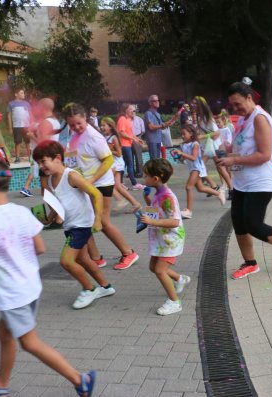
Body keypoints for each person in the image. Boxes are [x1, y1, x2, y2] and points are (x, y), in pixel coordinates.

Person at [0, 156, 97, 397]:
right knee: (5, 332)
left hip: (12, 295)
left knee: (29, 342)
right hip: (29, 287)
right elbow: (40, 247)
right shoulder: (21, 211)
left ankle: (79, 379)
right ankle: (0, 384)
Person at [217, 82, 272, 279]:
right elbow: (240, 146)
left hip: (260, 182)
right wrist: (226, 149)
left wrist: (234, 159)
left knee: (253, 224)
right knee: (238, 223)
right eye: (232, 105)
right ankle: (250, 263)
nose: (235, 108)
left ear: (249, 98)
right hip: (242, 182)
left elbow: (264, 155)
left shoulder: (260, 118)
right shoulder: (243, 120)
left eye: (238, 103)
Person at [33, 140, 116, 309]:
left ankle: (89, 289)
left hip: (81, 226)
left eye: (43, 161)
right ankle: (106, 287)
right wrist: (49, 218)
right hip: (71, 225)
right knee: (83, 259)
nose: (41, 166)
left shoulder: (71, 176)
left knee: (66, 261)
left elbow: (96, 195)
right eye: (38, 163)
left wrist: (98, 220)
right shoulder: (50, 181)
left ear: (57, 158)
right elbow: (58, 204)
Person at [63, 103, 139, 270]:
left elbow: (108, 160)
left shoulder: (94, 136)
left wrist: (90, 181)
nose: (76, 127)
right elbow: (72, 157)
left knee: (103, 223)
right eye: (72, 124)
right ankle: (96, 258)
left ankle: (128, 253)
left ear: (85, 118)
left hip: (100, 184)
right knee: (84, 222)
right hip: (85, 185)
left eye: (78, 123)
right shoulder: (74, 135)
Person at [140, 158, 190, 315]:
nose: (143, 178)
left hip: (171, 241)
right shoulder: (158, 193)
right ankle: (179, 279)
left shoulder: (168, 196)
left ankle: (175, 302)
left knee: (160, 270)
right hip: (162, 239)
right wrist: (146, 201)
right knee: (153, 268)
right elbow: (157, 210)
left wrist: (150, 220)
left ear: (155, 178)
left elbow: (175, 221)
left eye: (145, 175)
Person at [172, 124, 225, 219]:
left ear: (191, 134)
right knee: (200, 188)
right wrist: (178, 157)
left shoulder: (195, 144)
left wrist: (182, 153)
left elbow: (193, 157)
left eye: (184, 134)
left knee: (188, 188)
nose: (182, 136)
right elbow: (184, 160)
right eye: (181, 134)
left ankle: (189, 211)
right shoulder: (184, 145)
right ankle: (218, 193)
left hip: (197, 168)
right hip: (192, 168)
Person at [99, 117, 141, 212]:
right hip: (112, 163)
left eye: (104, 125)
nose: (102, 127)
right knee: (117, 185)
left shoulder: (114, 138)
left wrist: (109, 150)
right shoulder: (104, 137)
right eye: (101, 125)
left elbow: (119, 153)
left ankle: (120, 200)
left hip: (116, 164)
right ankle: (135, 203)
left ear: (110, 126)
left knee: (107, 183)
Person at [116, 103, 145, 190]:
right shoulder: (122, 119)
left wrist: (137, 139)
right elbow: (121, 132)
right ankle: (134, 183)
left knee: (124, 164)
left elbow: (130, 133)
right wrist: (133, 138)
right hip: (124, 145)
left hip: (128, 144)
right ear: (126, 110)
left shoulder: (128, 120)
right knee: (130, 164)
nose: (133, 110)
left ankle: (120, 183)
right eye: (131, 109)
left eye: (133, 109)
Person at [7, 88, 32, 163]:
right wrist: (10, 128)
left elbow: (30, 114)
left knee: (27, 142)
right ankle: (17, 157)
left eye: (23, 93)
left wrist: (31, 125)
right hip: (16, 126)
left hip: (26, 126)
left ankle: (30, 157)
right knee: (17, 142)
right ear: (16, 94)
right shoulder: (11, 104)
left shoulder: (27, 103)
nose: (23, 94)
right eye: (21, 93)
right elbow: (9, 116)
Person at [145, 95, 174, 160]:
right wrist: (162, 125)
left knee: (157, 160)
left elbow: (162, 127)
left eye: (158, 100)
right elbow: (151, 127)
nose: (157, 102)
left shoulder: (157, 114)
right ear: (150, 103)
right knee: (154, 160)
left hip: (158, 139)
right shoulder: (148, 113)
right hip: (152, 140)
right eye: (155, 101)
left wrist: (167, 124)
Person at [131, 110, 145, 177]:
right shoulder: (127, 120)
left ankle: (140, 172)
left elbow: (143, 131)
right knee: (130, 157)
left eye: (134, 111)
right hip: (129, 138)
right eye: (131, 111)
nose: (132, 113)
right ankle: (131, 173)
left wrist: (138, 137)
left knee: (138, 156)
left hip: (137, 137)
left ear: (135, 112)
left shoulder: (139, 119)